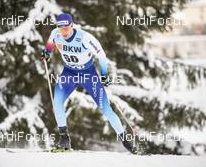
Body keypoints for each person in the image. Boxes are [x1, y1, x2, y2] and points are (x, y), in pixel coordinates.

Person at [41, 13, 138, 154]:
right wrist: (47, 53)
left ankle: (126, 141)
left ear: (72, 26)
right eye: (61, 30)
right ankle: (64, 139)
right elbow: (50, 45)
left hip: (88, 74)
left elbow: (102, 56)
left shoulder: (85, 38)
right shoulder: (56, 33)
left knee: (105, 108)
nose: (64, 33)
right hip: (69, 73)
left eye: (66, 29)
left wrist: (104, 76)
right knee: (57, 102)